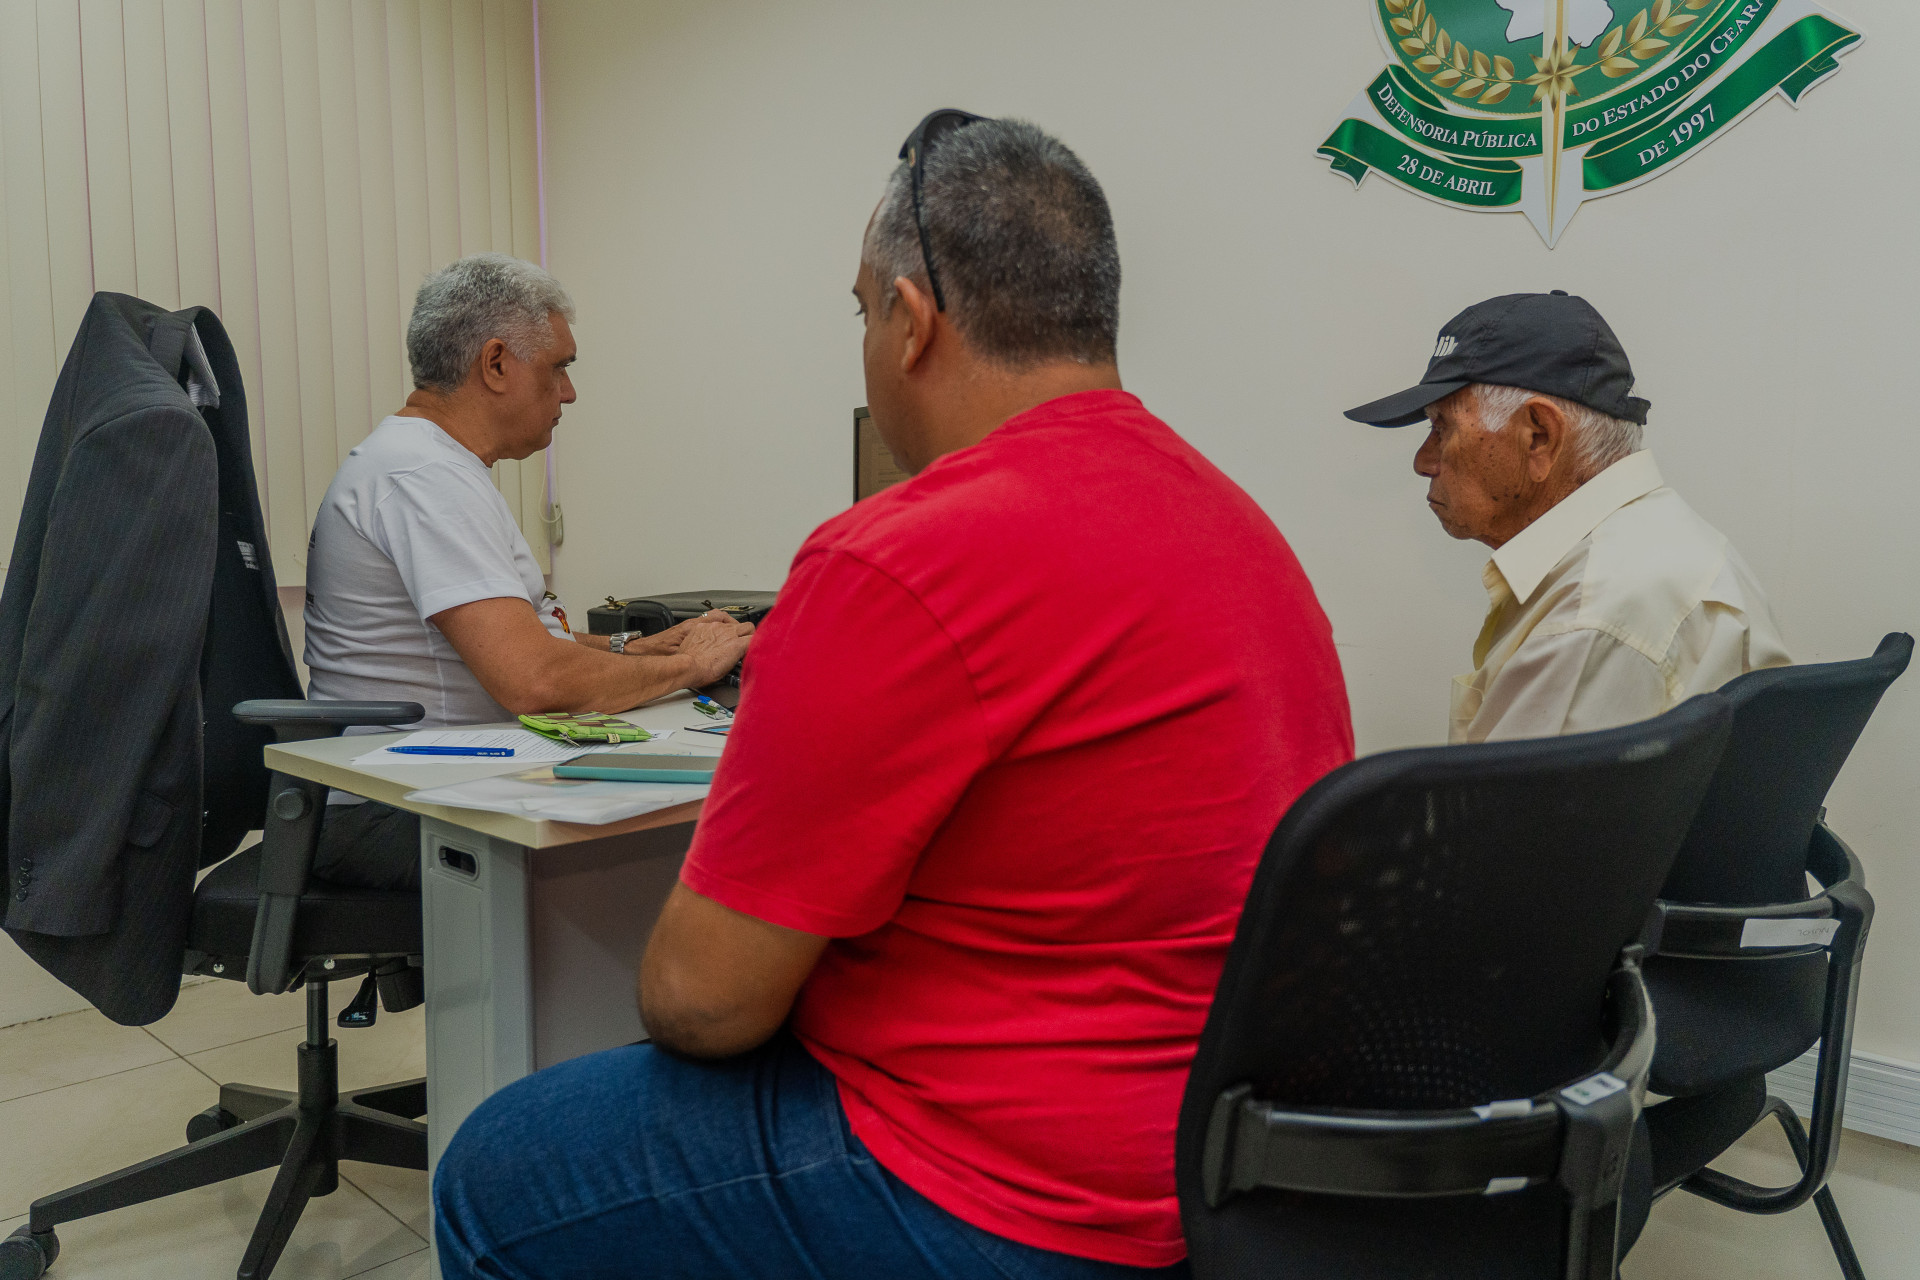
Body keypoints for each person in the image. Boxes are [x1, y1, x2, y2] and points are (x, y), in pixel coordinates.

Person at [431, 114, 1354, 1279]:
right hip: (1221, 1165)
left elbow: (704, 1004)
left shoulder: (896, 557)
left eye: (863, 311)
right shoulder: (1242, 529)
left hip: (999, 1188)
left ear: (912, 324)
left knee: (494, 1167)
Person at [302, 254, 752, 889]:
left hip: (424, 786)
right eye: (558, 368)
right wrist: (689, 668)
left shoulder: (427, 463)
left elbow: (519, 637)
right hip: (399, 809)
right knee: (690, 842)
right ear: (495, 364)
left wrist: (634, 648)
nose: (568, 391)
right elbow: (534, 680)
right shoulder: (423, 476)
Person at [1345, 290, 1790, 743]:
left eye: (1443, 428)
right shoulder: (1656, 543)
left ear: (1539, 436)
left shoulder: (1592, 617)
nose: (1423, 461)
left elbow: (1506, 815)